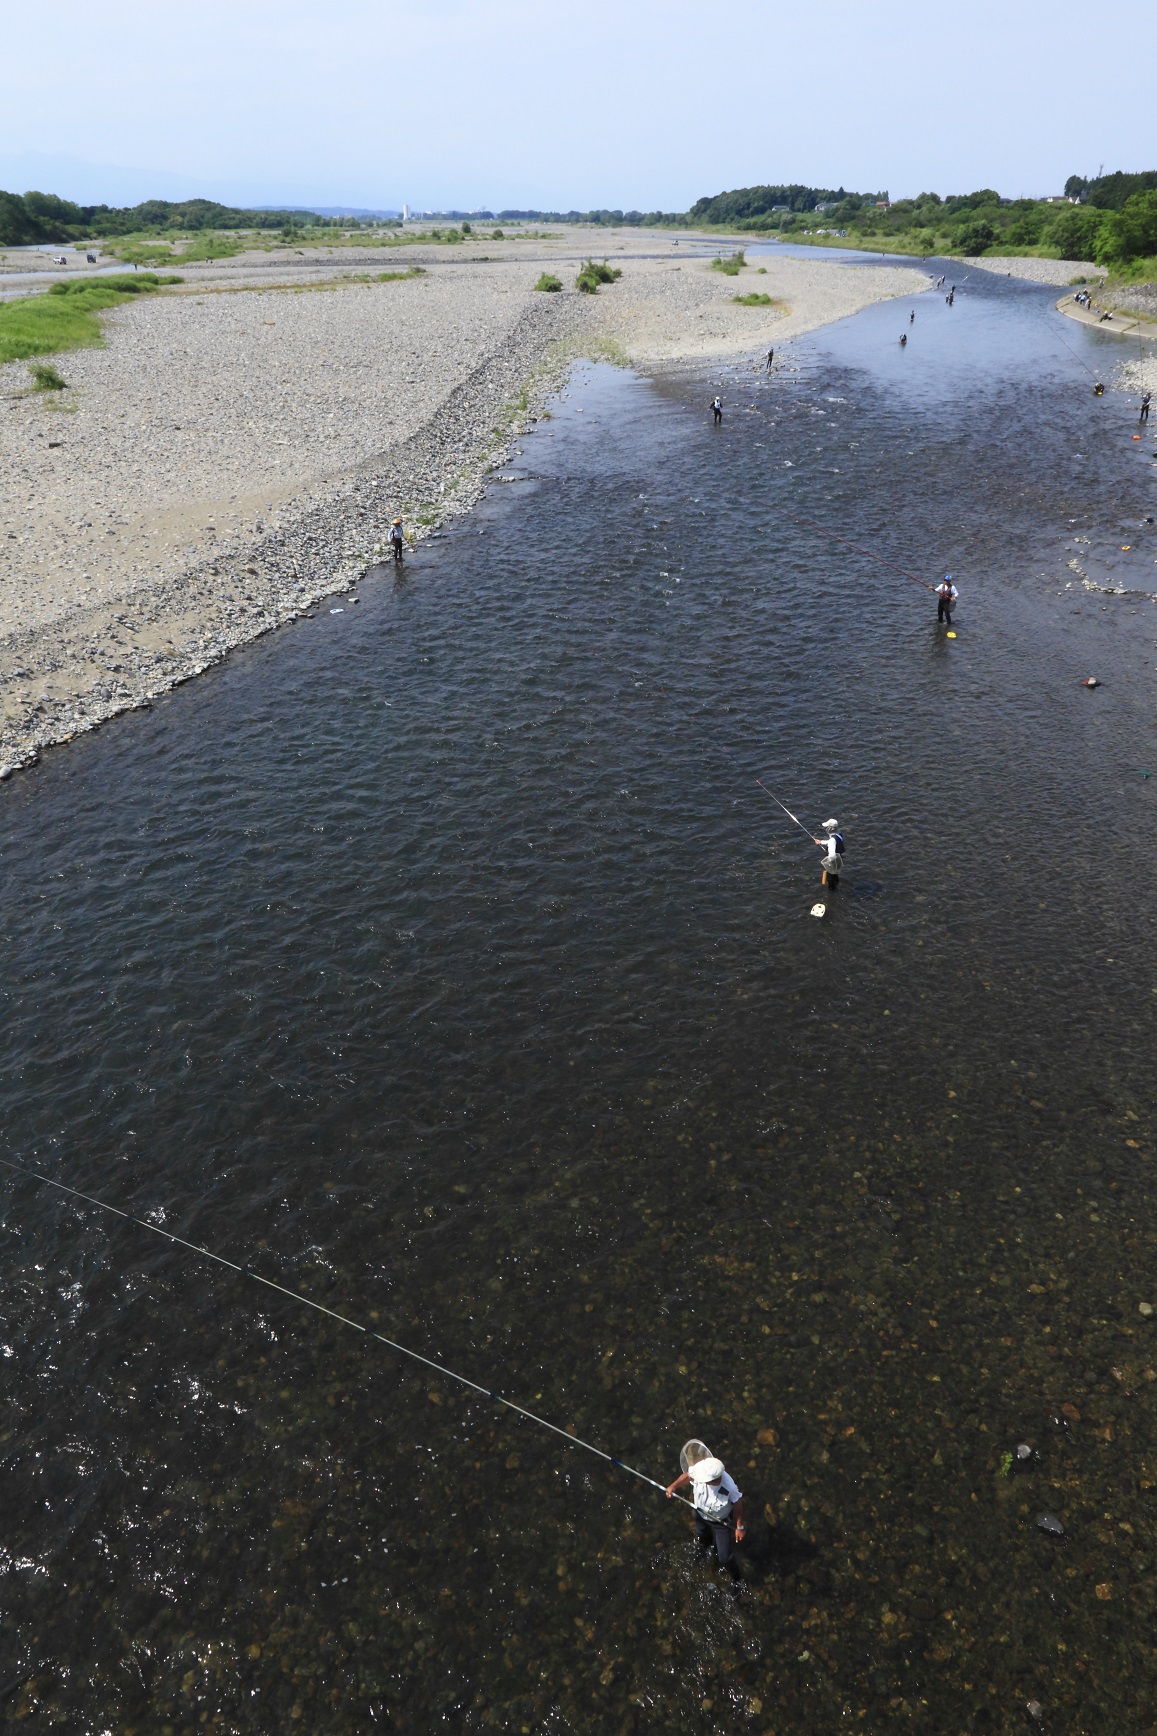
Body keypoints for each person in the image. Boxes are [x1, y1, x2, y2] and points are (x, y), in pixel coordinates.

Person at [666, 1445, 746, 1580]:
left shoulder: (729, 1487)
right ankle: (705, 1548)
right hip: (701, 1514)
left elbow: (738, 1506)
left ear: (715, 1480)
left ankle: (737, 1578)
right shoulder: (701, 1469)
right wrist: (673, 1486)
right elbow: (687, 1476)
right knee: (703, 1536)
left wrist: (740, 1527)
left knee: (725, 1557)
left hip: (721, 1521)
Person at [814, 818, 845, 888]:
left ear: (830, 829)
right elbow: (833, 842)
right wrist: (821, 842)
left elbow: (832, 855)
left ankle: (832, 891)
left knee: (830, 880)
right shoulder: (839, 834)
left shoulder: (832, 840)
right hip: (839, 859)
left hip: (833, 862)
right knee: (835, 874)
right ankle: (837, 883)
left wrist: (828, 861)